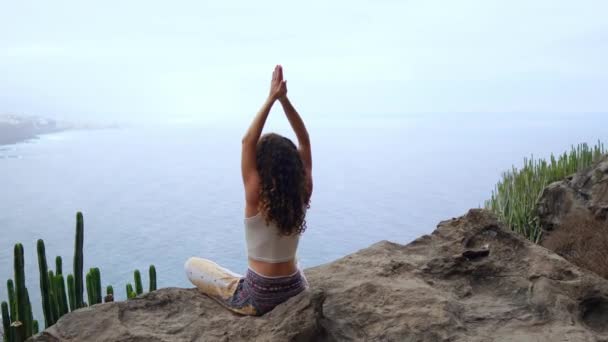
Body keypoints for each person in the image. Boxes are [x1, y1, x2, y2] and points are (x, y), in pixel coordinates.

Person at [184, 65, 313, 316]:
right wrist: (284, 101)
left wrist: (271, 99)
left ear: (261, 164)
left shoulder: (256, 195)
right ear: (295, 166)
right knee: (296, 268)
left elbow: (247, 141)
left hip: (259, 296)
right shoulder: (303, 191)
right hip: (296, 290)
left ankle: (243, 286)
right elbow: (304, 140)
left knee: (192, 265)